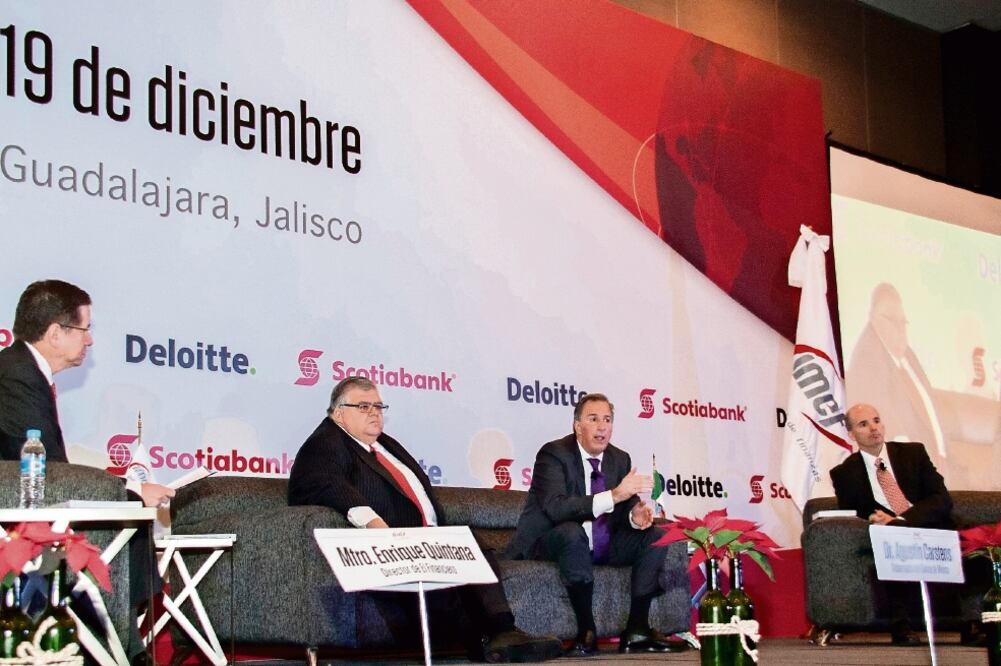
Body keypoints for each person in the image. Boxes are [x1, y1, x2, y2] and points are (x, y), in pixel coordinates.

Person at [288, 376, 561, 663]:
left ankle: (500, 635)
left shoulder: (385, 444)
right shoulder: (326, 442)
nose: (374, 412)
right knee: (463, 550)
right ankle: (496, 637)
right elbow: (322, 483)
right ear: (338, 413)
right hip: (396, 545)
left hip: (427, 539)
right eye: (364, 406)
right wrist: (374, 523)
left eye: (379, 406)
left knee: (469, 544)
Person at [506, 393, 684, 656]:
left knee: (656, 535)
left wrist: (635, 517)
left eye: (608, 419)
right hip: (551, 541)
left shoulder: (619, 458)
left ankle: (637, 629)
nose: (602, 426)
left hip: (602, 542)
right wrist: (614, 496)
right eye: (593, 419)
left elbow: (624, 507)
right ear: (578, 427)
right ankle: (587, 632)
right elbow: (556, 508)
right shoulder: (553, 454)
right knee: (572, 532)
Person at [0, 279, 174, 506]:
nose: (89, 340)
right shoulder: (18, 376)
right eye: (85, 329)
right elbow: (50, 474)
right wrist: (135, 490)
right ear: (55, 334)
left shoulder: (20, 369)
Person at [830, 403, 983, 645]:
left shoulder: (913, 453)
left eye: (876, 420)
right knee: (889, 539)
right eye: (863, 424)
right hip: (889, 533)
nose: (873, 428)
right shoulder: (843, 473)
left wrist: (903, 520)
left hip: (926, 522)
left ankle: (972, 623)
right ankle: (902, 627)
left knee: (972, 540)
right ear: (851, 434)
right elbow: (852, 511)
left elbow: (940, 497)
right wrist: (872, 517)